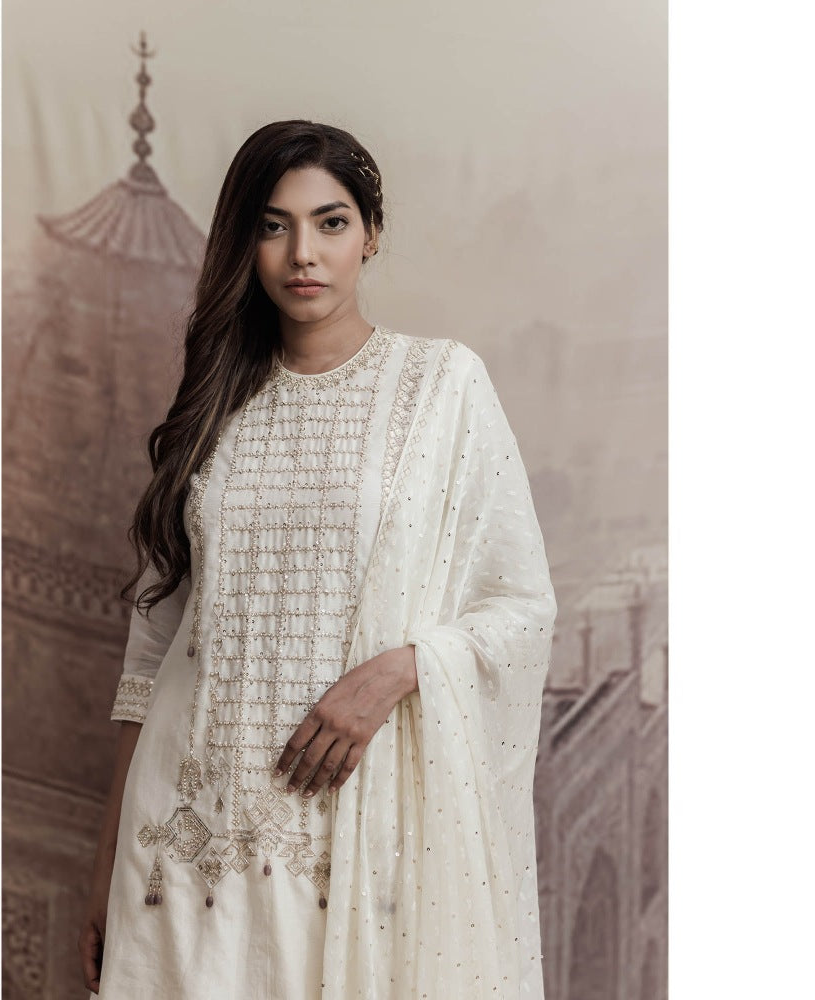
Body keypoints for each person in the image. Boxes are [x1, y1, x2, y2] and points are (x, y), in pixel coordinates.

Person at [78, 119, 557, 999]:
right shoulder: (211, 405)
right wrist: (107, 859)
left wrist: (401, 671)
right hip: (185, 839)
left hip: (358, 830)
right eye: (274, 226)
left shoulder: (442, 386)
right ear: (245, 242)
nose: (303, 253)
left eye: (331, 222)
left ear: (371, 234)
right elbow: (150, 655)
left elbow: (519, 605)